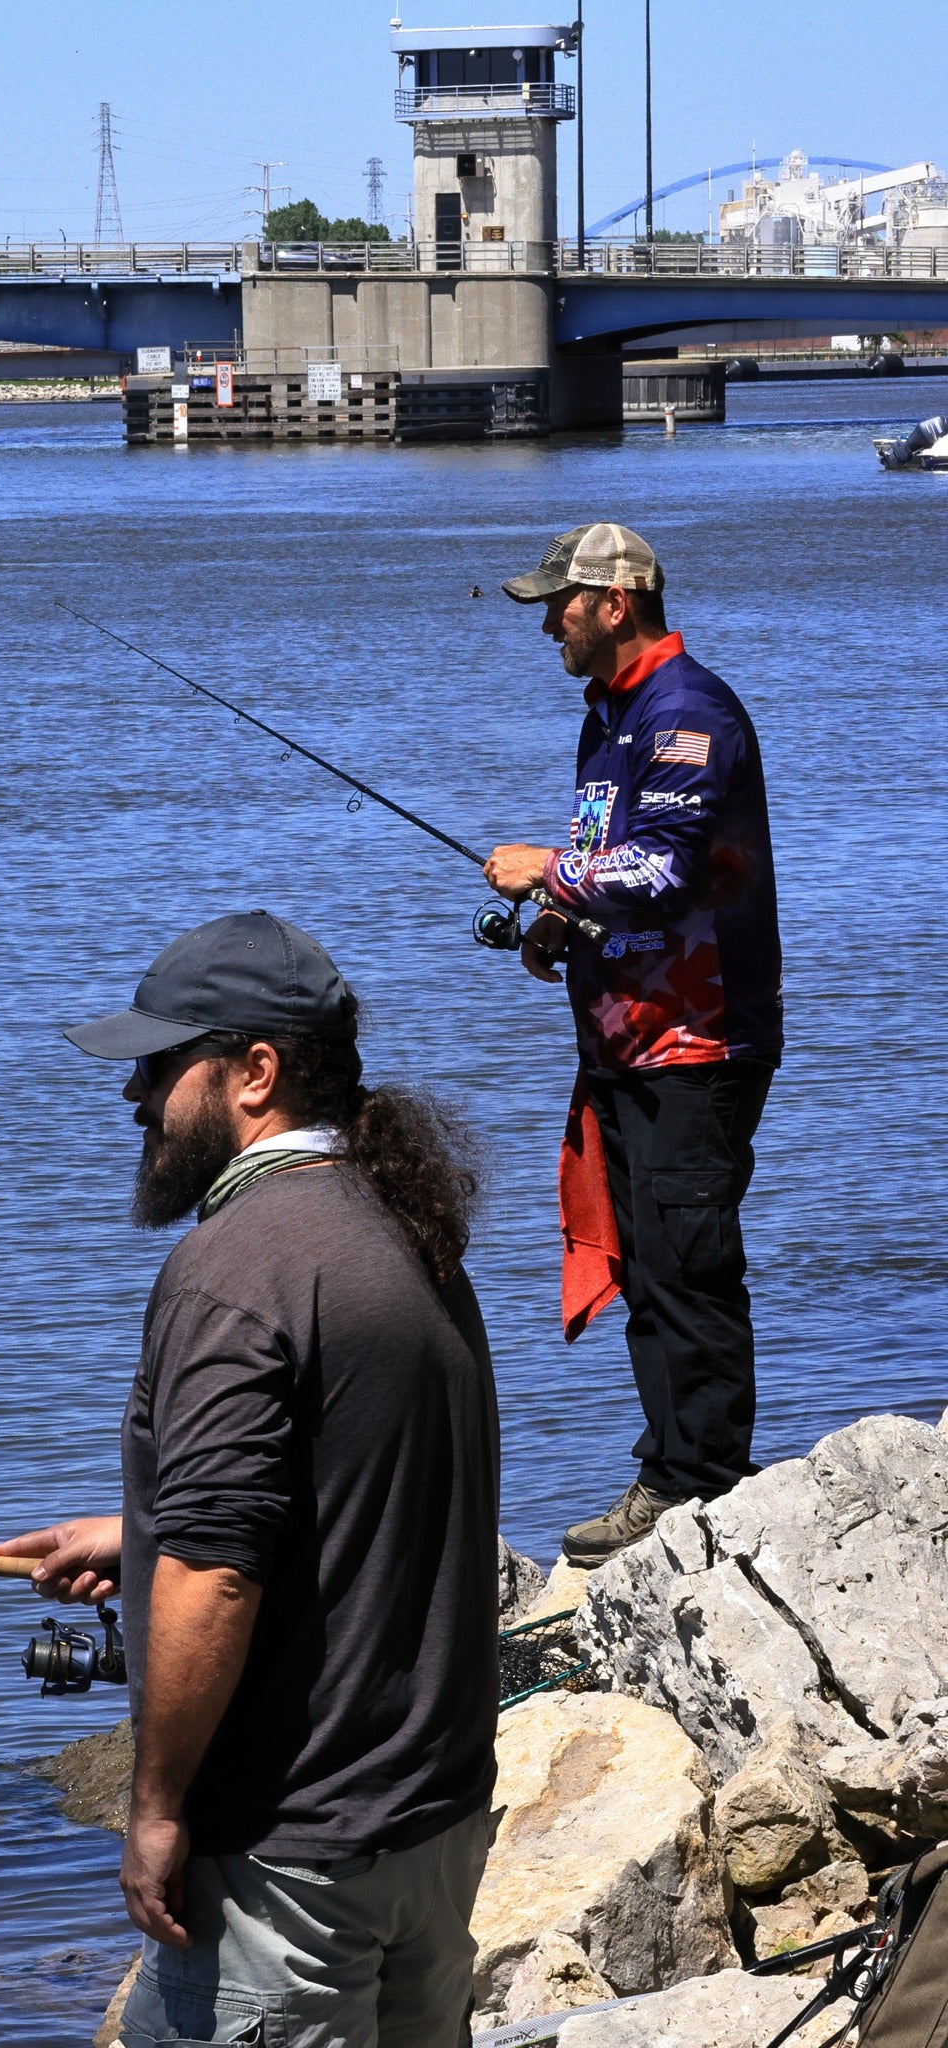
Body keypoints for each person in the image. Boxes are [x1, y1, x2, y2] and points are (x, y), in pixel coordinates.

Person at [0, 910, 500, 2048]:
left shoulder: (232, 1268)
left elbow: (217, 1575)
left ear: (253, 1071)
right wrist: (139, 1531)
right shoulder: (404, 1228)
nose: (135, 1098)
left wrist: (156, 1807)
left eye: (161, 1065)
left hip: (292, 1864)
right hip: (434, 1827)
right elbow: (373, 1480)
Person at [483, 523, 782, 1567]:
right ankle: (672, 1473)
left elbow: (670, 866)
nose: (548, 623)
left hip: (699, 1040)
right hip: (627, 1039)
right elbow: (619, 863)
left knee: (689, 1265)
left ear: (617, 600)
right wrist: (564, 928)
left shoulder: (688, 710)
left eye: (559, 603)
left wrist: (547, 877)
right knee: (652, 1263)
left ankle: (705, 1490)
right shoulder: (608, 718)